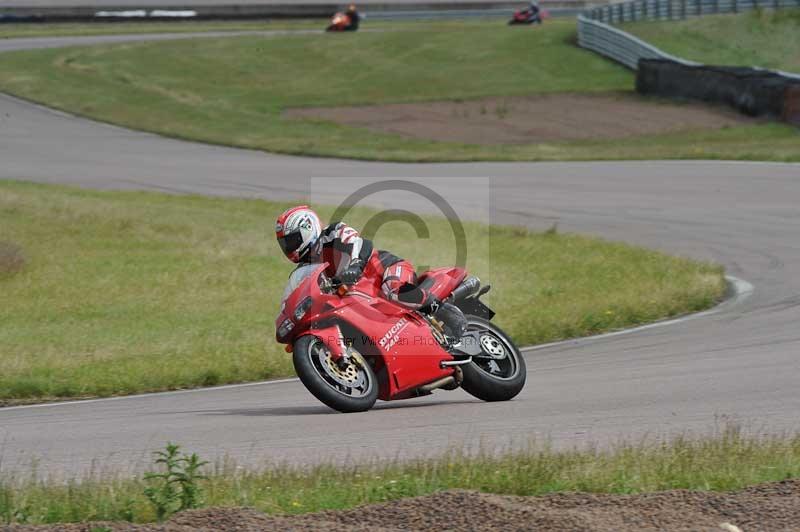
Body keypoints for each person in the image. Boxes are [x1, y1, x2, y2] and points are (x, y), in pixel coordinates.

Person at [275, 205, 467, 341]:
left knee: (394, 290)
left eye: (292, 241)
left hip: (384, 269)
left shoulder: (332, 233)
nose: (289, 248)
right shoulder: (304, 270)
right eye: (286, 244)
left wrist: (355, 266)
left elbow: (362, 244)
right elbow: (298, 294)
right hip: (362, 296)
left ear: (307, 228)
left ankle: (446, 312)